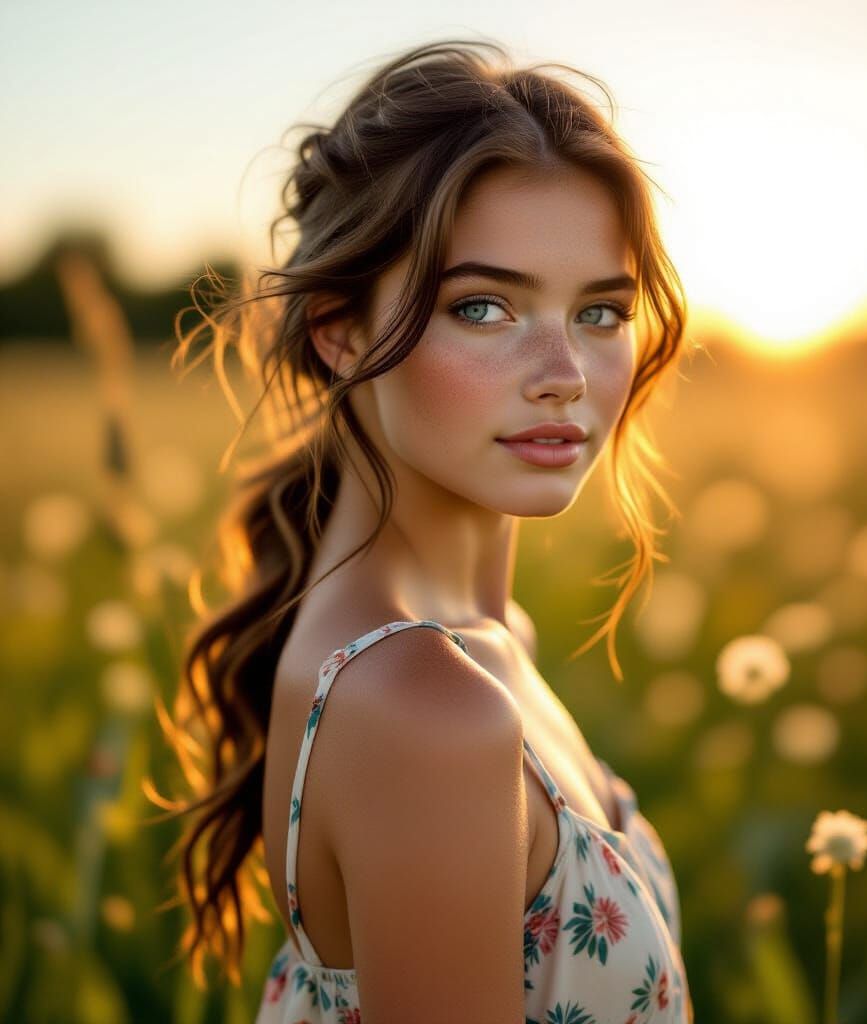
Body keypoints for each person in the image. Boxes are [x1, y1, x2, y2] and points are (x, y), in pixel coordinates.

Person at [160, 37, 694, 1023]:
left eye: (600, 312)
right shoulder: (422, 707)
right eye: (484, 307)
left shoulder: (478, 647)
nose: (564, 374)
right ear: (341, 329)